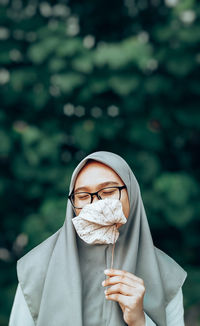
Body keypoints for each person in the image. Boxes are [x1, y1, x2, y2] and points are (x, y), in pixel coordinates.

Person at [9, 151, 187, 326]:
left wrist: (140, 321)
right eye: (83, 196)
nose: (95, 205)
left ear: (132, 195)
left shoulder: (165, 274)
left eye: (109, 191)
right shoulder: (38, 267)